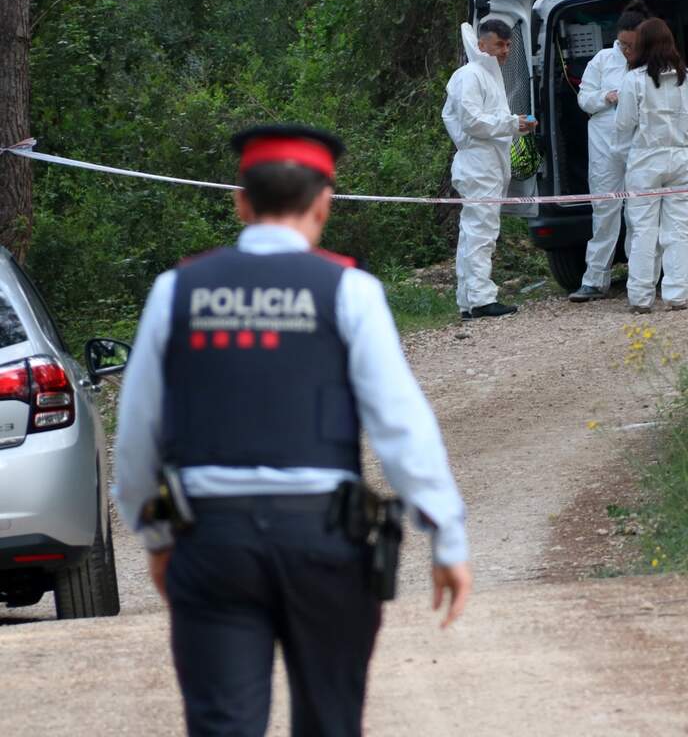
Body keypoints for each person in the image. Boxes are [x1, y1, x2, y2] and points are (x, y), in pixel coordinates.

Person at [113, 125, 472, 737]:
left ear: (241, 202)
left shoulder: (177, 291)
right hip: (323, 543)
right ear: (324, 203)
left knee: (223, 726)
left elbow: (137, 433)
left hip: (211, 541)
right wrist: (446, 535)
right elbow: (402, 426)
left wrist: (154, 537)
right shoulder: (349, 292)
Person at [442, 19, 537, 319]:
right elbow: (471, 122)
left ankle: (469, 299)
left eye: (508, 45)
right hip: (478, 165)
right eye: (499, 44)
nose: (505, 50)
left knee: (474, 232)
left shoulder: (490, 78)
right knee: (480, 232)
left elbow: (490, 123)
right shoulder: (469, 76)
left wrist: (518, 126)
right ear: (482, 45)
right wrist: (511, 123)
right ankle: (481, 298)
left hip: (489, 165)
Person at [614, 18, 688, 314]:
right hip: (682, 159)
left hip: (646, 160)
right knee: (678, 229)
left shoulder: (634, 80)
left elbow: (623, 123)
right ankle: (678, 294)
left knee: (643, 230)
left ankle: (641, 297)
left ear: (641, 45)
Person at [568, 0, 651, 303]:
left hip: (638, 144)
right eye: (623, 43)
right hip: (604, 144)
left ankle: (640, 277)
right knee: (604, 210)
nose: (628, 49)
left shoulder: (650, 62)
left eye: (633, 44)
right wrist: (607, 96)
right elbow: (584, 99)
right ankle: (595, 278)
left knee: (639, 211)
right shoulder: (603, 60)